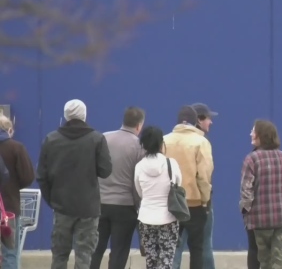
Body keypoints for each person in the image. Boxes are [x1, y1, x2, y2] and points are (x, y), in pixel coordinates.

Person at [36, 99, 112, 269]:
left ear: (65, 116)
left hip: (61, 207)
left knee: (59, 255)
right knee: (84, 255)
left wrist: (53, 200)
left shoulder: (51, 139)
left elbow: (41, 176)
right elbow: (106, 171)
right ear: (84, 115)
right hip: (88, 208)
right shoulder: (96, 139)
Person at [240, 120, 282, 269]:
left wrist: (247, 210)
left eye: (253, 131)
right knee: (278, 260)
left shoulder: (252, 159)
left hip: (260, 220)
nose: (250, 134)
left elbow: (246, 188)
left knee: (264, 260)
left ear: (261, 136)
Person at [91, 107, 146, 269]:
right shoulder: (140, 146)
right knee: (119, 251)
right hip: (125, 206)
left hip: (99, 203)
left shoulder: (103, 138)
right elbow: (140, 179)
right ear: (139, 125)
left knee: (95, 249)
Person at [164, 106, 212, 269]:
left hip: (170, 204)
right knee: (197, 249)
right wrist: (205, 200)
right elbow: (204, 176)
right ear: (194, 121)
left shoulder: (164, 140)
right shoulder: (201, 142)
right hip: (195, 204)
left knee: (169, 249)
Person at [135, 126, 182, 269]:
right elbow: (178, 184)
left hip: (146, 218)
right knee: (166, 261)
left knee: (151, 261)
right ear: (161, 143)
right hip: (168, 218)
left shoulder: (139, 166)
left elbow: (139, 191)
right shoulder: (171, 164)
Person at [0, 115, 34, 269]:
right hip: (9, 209)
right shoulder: (16, 148)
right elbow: (27, 177)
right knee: (10, 253)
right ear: (9, 130)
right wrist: (12, 187)